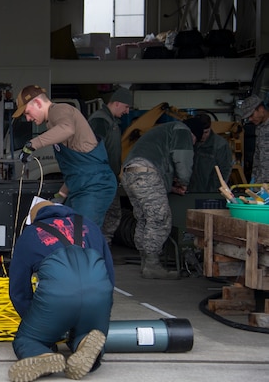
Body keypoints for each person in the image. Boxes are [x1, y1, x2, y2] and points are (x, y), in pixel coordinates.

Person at [8, 201, 114, 382]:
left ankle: (41, 354)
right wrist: (103, 306)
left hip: (58, 295)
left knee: (27, 338)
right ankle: (83, 342)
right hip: (99, 292)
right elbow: (109, 275)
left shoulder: (31, 234)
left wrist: (35, 320)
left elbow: (19, 290)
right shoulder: (90, 225)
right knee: (88, 333)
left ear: (33, 218)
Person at [14, 85, 116, 227]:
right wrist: (61, 195)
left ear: (37, 103)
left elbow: (67, 129)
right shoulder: (53, 124)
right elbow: (76, 167)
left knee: (81, 236)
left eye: (27, 113)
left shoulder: (59, 110)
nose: (28, 118)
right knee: (66, 231)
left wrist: (32, 145)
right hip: (81, 187)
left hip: (94, 186)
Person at [120, 117, 204, 279]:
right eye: (194, 142)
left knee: (144, 219)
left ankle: (146, 261)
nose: (192, 145)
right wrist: (184, 181)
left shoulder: (164, 132)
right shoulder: (183, 131)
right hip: (146, 173)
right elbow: (183, 159)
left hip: (130, 173)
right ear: (194, 135)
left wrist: (170, 186)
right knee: (160, 218)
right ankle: (152, 265)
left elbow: (159, 172)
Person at [87, 86, 133, 244]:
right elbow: (92, 148)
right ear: (117, 103)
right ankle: (98, 249)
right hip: (100, 178)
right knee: (107, 215)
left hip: (107, 177)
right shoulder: (100, 120)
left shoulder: (111, 121)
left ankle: (100, 249)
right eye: (126, 107)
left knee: (110, 215)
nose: (127, 111)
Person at [188, 114, 233, 192]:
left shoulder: (220, 145)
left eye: (206, 132)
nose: (202, 136)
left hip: (211, 192)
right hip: (190, 192)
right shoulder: (190, 142)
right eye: (199, 132)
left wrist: (214, 192)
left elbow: (224, 170)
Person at [235, 94, 269, 184]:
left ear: (261, 109)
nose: (250, 119)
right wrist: (254, 180)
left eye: (251, 115)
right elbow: (257, 157)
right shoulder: (259, 128)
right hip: (262, 183)